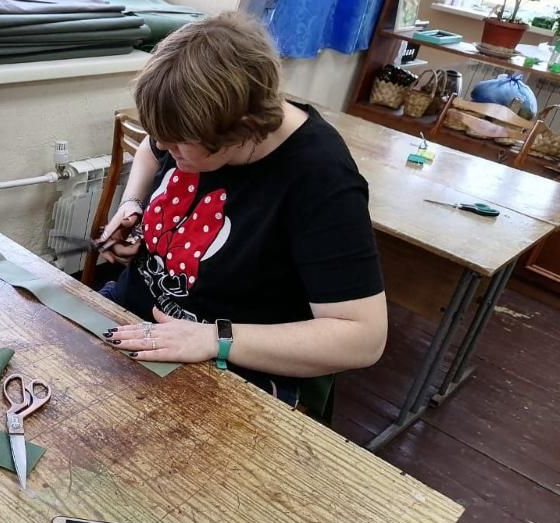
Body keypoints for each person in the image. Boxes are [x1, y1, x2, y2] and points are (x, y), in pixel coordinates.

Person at [97, 12, 387, 415]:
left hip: (225, 364)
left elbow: (364, 338)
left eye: (179, 145)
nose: (167, 149)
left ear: (244, 129)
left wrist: (214, 339)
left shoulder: (320, 177)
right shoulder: (197, 125)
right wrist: (133, 206)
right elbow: (151, 147)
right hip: (131, 315)